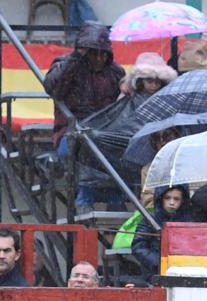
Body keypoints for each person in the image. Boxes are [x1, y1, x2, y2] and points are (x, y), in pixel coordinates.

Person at [43, 22, 125, 213]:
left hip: (106, 128)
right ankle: (84, 199)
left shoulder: (115, 72)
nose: (98, 57)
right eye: (93, 52)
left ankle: (112, 200)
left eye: (102, 52)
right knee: (77, 150)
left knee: (114, 152)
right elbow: (52, 88)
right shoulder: (65, 64)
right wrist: (75, 58)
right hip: (71, 128)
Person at [132, 185, 193, 282]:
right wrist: (158, 262)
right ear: (161, 199)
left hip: (185, 272)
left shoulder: (189, 221)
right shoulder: (149, 220)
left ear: (182, 201)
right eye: (167, 198)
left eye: (176, 199)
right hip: (154, 273)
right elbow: (138, 246)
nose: (172, 202)